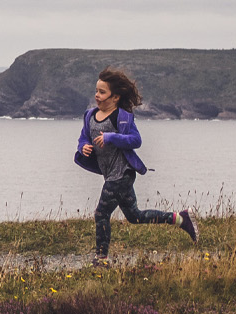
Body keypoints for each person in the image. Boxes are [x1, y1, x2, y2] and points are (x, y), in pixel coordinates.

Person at [75, 67, 198, 267]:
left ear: (115, 97)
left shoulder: (122, 117)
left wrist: (111, 137)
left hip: (122, 174)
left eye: (102, 92)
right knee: (135, 216)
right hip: (109, 175)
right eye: (96, 91)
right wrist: (84, 147)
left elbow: (136, 140)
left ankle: (101, 259)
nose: (97, 95)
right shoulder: (89, 116)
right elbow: (83, 138)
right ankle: (180, 218)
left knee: (101, 214)